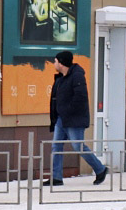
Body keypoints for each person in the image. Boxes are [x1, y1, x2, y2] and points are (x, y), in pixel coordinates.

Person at [43, 50, 108, 187]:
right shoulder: (61, 78)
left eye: (55, 61)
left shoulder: (77, 76)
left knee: (78, 145)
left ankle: (100, 169)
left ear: (61, 63)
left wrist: (67, 110)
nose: (54, 63)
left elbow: (80, 97)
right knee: (56, 146)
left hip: (74, 118)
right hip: (62, 118)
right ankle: (56, 177)